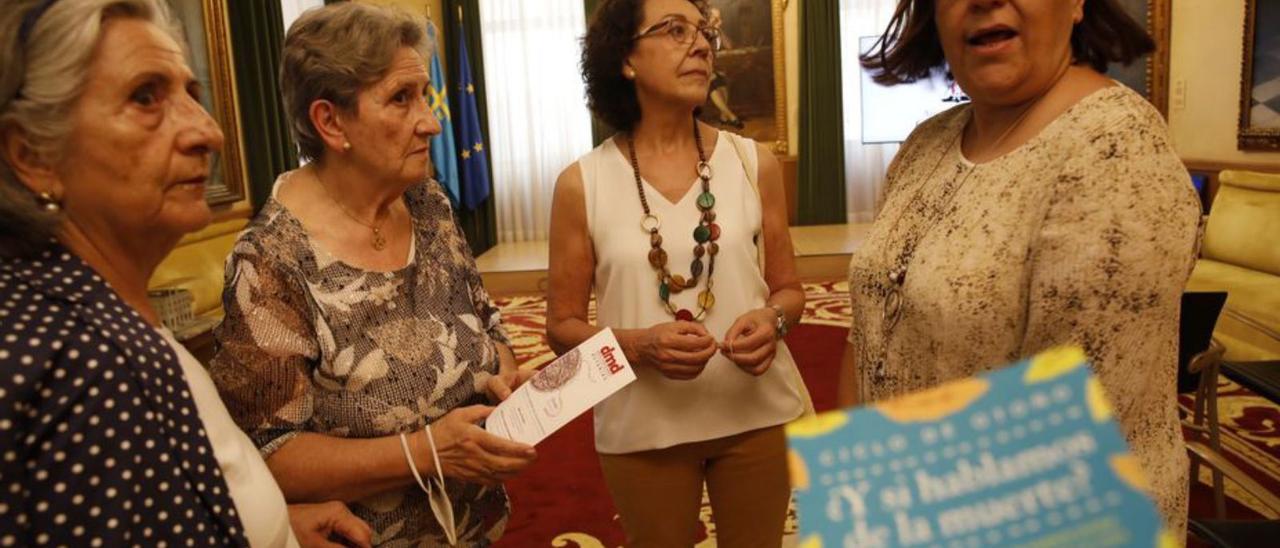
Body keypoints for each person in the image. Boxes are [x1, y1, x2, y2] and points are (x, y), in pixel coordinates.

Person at [0, 1, 371, 546]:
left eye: (193, 96)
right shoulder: (77, 359)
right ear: (33, 155)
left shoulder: (92, 311)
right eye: (145, 97)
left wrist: (267, 525)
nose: (209, 133)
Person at [841, 0, 1201, 535]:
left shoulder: (1113, 149)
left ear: (1077, 5)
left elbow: (1066, 438)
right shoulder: (928, 143)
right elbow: (869, 331)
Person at [209, 3, 536, 545]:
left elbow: (489, 324)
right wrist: (426, 452)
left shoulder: (429, 203)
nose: (431, 122)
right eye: (401, 99)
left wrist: (499, 376)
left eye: (423, 95)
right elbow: (270, 452)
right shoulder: (269, 262)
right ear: (330, 122)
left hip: (477, 526)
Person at [547, 0, 810, 545]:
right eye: (674, 30)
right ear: (625, 59)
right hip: (644, 426)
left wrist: (773, 321)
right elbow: (561, 328)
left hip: (756, 414)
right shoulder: (582, 184)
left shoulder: (751, 162)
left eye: (704, 31)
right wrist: (640, 346)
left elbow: (788, 290)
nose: (700, 44)